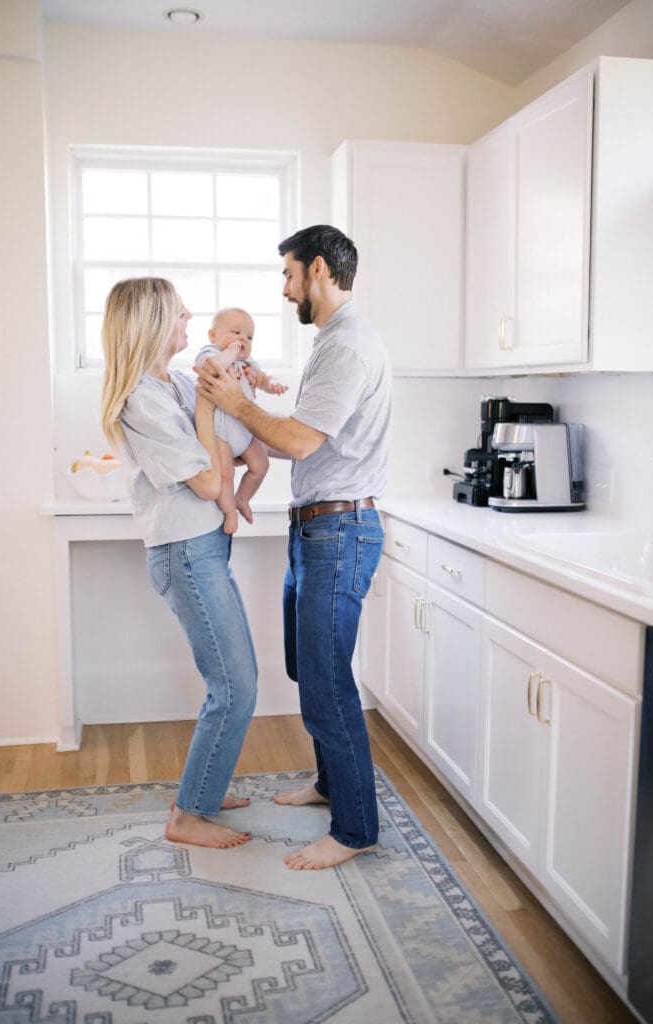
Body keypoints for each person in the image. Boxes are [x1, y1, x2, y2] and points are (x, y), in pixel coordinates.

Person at [194, 225, 392, 870]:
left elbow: (301, 443)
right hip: (317, 529)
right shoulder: (331, 343)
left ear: (319, 271)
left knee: (327, 682)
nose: (283, 290)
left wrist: (236, 403)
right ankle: (331, 786)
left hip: (338, 531)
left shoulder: (347, 347)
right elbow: (296, 438)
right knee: (310, 670)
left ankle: (356, 829)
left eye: (288, 275)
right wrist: (242, 422)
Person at [100, 277, 258, 850]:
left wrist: (219, 402)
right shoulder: (141, 398)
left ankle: (207, 793)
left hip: (205, 544)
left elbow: (229, 442)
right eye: (178, 311)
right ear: (150, 323)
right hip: (186, 553)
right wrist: (211, 411)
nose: (190, 315)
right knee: (235, 685)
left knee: (240, 679)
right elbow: (212, 478)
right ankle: (188, 815)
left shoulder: (169, 385)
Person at [195, 307, 288, 533]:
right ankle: (229, 513)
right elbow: (211, 367)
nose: (242, 339)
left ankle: (243, 498)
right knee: (226, 474)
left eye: (249, 337)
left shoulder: (248, 363)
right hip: (219, 434)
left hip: (244, 432)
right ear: (212, 335)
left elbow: (262, 377)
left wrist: (272, 383)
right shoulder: (210, 352)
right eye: (235, 332)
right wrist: (232, 352)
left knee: (261, 464)